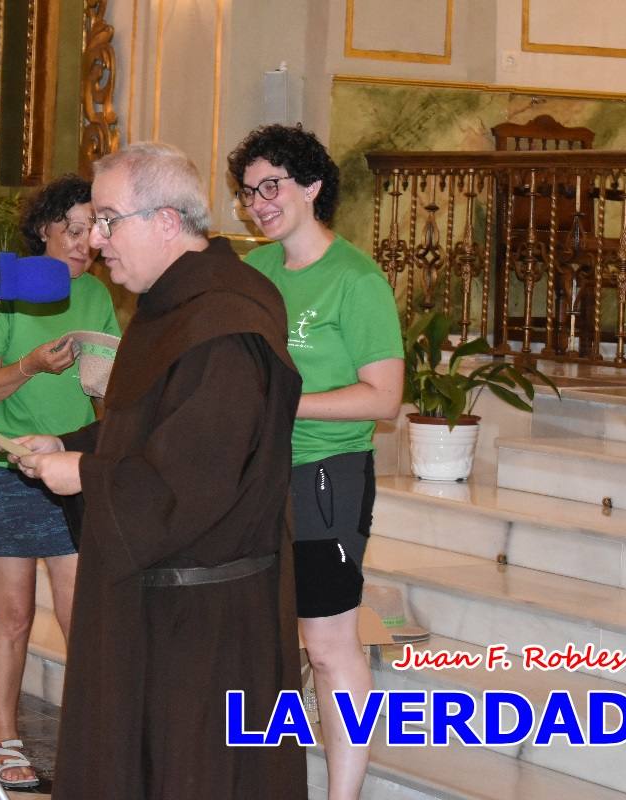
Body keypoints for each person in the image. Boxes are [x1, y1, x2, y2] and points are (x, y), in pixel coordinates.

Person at [15, 142, 307, 799]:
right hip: (159, 606)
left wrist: (85, 473)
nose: (95, 241)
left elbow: (193, 478)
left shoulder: (224, 324)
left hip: (203, 624)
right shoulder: (174, 302)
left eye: (109, 221)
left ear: (167, 221)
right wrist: (64, 442)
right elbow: (148, 427)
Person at [228, 124, 403, 800]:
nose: (258, 204)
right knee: (263, 641)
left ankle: (343, 794)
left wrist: (284, 404)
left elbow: (384, 398)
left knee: (328, 647)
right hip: (258, 478)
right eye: (248, 193)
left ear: (312, 186)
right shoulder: (257, 272)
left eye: (271, 187)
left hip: (328, 478)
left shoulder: (356, 279)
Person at [0, 174, 120, 789]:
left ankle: (90, 736)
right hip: (2, 467)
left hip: (71, 470)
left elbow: (108, 388)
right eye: (72, 229)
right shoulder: (7, 290)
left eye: (94, 230)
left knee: (87, 618)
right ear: (43, 229)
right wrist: (28, 365)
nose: (85, 243)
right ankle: (4, 740)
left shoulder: (98, 295)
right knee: (13, 616)